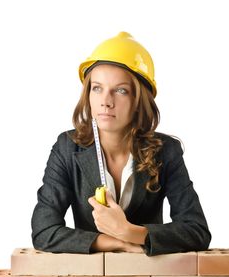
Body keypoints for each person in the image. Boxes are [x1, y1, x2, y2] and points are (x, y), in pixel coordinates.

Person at [31, 32, 211, 255]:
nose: (106, 101)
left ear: (139, 100)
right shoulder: (67, 148)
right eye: (97, 88)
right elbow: (44, 231)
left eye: (121, 90)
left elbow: (197, 232)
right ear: (87, 94)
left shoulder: (166, 151)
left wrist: (130, 232)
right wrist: (117, 242)